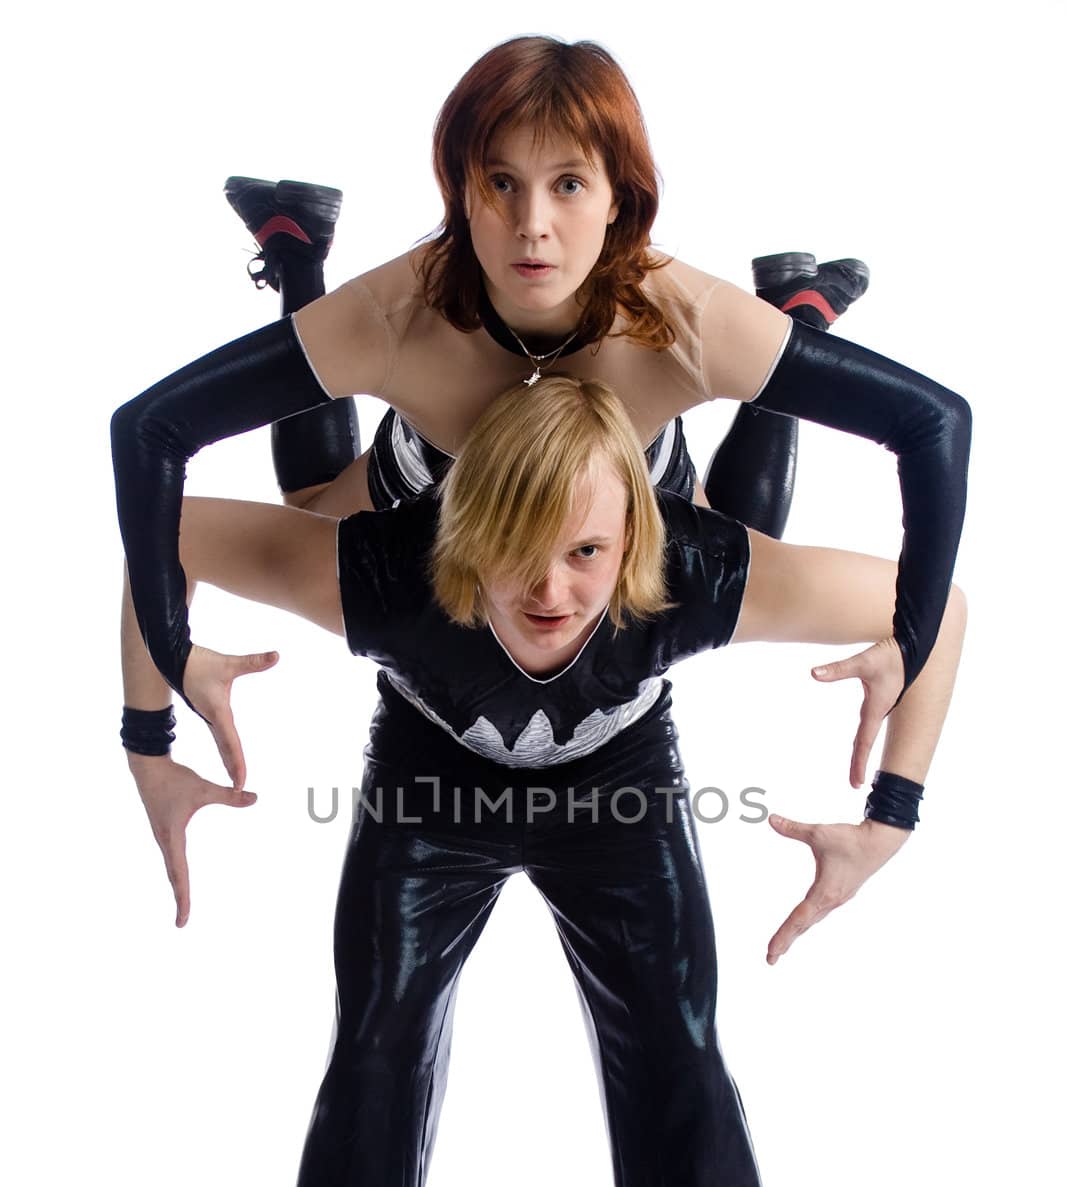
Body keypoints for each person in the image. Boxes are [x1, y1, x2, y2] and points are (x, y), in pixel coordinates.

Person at [130, 373, 965, 1187]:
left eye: (584, 551)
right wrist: (150, 731)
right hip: (429, 786)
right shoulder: (377, 571)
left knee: (680, 1060)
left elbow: (941, 601)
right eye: (515, 547)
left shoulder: (696, 568)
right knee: (372, 1055)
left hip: (618, 791)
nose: (547, 588)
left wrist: (891, 815)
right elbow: (153, 526)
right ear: (462, 528)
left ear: (636, 530)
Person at [112, 35, 971, 927]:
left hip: (631, 472)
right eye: (500, 183)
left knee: (745, 534)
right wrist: (163, 679)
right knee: (314, 499)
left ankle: (795, 321)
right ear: (460, 193)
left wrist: (907, 643)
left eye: (567, 184)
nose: (532, 227)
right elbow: (151, 432)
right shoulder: (394, 316)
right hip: (434, 485)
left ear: (618, 201)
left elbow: (933, 423)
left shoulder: (688, 319)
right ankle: (297, 258)